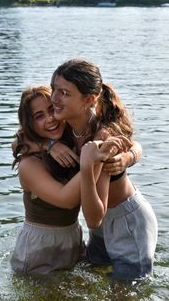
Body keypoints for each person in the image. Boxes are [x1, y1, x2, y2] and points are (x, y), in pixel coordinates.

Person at [50, 58, 158, 281]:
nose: (54, 98)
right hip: (101, 226)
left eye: (64, 93)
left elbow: (93, 218)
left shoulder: (102, 139)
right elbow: (20, 140)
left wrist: (88, 165)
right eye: (54, 89)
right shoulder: (64, 126)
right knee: (93, 278)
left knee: (124, 293)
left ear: (89, 99)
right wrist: (49, 145)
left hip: (127, 222)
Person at [11, 85, 84, 275]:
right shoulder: (29, 164)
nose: (50, 118)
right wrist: (92, 160)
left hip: (73, 236)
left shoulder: (72, 141)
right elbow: (65, 200)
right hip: (39, 248)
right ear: (30, 124)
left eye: (52, 109)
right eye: (39, 116)